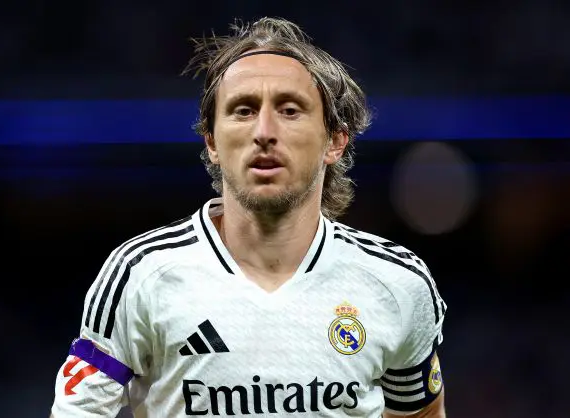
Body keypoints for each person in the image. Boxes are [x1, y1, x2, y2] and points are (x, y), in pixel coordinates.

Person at [50, 17, 448, 417]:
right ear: (212, 142)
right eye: (243, 110)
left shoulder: (396, 283)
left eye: (290, 110)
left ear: (335, 140)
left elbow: (422, 413)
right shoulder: (139, 275)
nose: (264, 131)